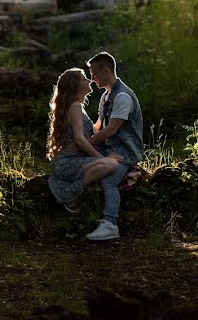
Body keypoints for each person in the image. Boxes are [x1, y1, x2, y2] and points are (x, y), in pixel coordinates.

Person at [84, 51, 144, 241]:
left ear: (106, 70)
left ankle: (110, 224)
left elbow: (111, 130)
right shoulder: (106, 96)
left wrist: (88, 143)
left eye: (94, 73)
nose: (92, 79)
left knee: (108, 181)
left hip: (125, 152)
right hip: (110, 149)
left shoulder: (123, 96)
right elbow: (99, 126)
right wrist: (80, 139)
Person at [47, 68, 121, 214]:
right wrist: (101, 158)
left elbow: (93, 132)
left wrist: (105, 114)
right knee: (110, 164)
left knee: (111, 163)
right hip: (68, 162)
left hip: (70, 160)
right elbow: (80, 139)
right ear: (76, 86)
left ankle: (68, 189)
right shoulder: (75, 106)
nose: (90, 80)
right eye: (84, 79)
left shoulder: (77, 107)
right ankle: (67, 194)